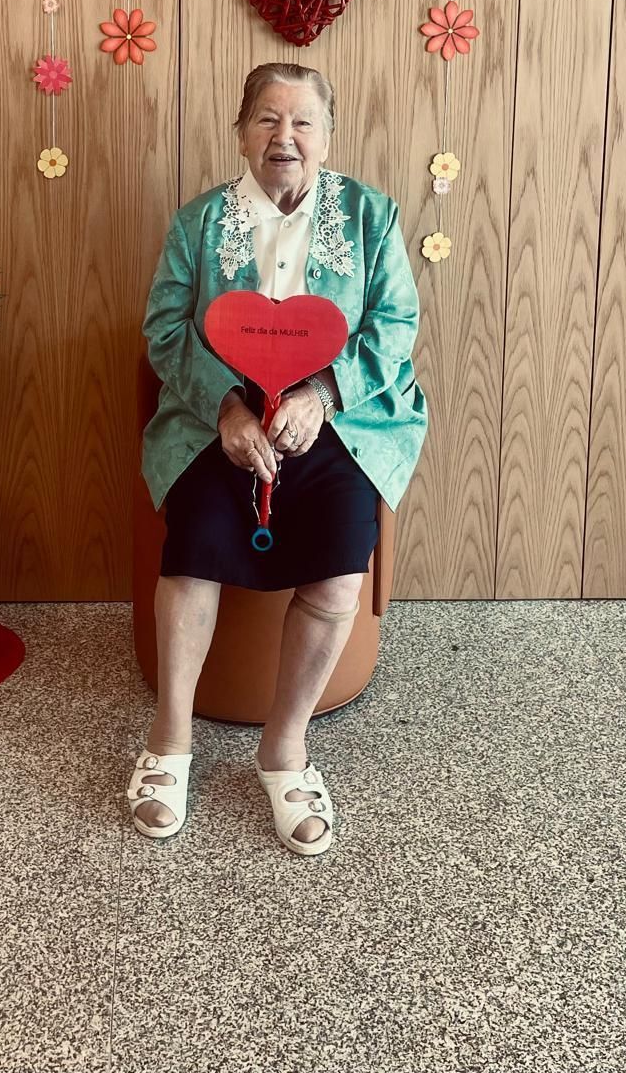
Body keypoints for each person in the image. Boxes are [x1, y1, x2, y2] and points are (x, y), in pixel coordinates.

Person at [128, 62, 427, 855]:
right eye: (266, 118)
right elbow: (164, 329)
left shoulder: (370, 217)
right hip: (215, 421)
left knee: (336, 573)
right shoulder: (199, 222)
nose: (283, 137)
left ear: (326, 136)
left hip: (340, 422)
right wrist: (226, 409)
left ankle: (284, 751)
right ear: (240, 132)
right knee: (192, 552)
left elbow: (394, 327)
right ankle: (169, 741)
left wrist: (321, 395)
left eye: (302, 122)